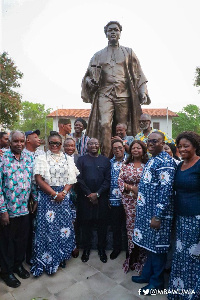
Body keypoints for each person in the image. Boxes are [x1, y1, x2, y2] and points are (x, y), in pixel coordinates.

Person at [81, 21, 151, 157]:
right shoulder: (98, 55)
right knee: (104, 124)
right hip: (104, 94)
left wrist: (143, 91)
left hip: (123, 94)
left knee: (122, 127)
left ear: (120, 33)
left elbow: (139, 73)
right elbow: (88, 76)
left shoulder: (128, 52)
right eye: (110, 30)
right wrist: (90, 83)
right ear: (106, 34)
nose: (113, 32)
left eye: (116, 30)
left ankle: (123, 156)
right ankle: (106, 157)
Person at [132, 131, 176, 295]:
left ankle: (156, 282)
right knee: (150, 247)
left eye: (155, 141)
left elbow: (166, 191)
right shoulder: (153, 160)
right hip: (147, 213)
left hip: (158, 216)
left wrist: (157, 216)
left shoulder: (165, 162)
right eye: (149, 141)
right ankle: (147, 275)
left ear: (163, 142)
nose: (150, 144)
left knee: (158, 248)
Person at [30, 132, 79, 276]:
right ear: (48, 143)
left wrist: (63, 193)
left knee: (63, 227)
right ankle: (47, 259)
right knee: (47, 230)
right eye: (52, 143)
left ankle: (61, 256)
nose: (55, 146)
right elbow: (39, 179)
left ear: (61, 144)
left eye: (58, 143)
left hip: (63, 197)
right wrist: (54, 194)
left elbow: (71, 178)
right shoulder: (41, 158)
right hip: (47, 197)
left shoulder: (68, 158)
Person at [0, 131, 37, 288]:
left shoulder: (29, 157)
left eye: (22, 141)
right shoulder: (2, 158)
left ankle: (17, 265)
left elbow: (32, 179)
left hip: (24, 209)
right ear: (10, 142)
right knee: (7, 243)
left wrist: (34, 197)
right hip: (8, 210)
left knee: (21, 241)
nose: (19, 144)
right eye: (16, 141)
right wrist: (2, 210)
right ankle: (6, 271)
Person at [168, 131, 200, 300]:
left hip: (196, 220)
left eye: (186, 146)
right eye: (179, 146)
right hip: (181, 218)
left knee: (195, 256)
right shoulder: (179, 165)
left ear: (195, 146)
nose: (182, 149)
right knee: (181, 256)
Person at [77, 138, 111, 263]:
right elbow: (79, 178)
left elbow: (108, 180)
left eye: (96, 143)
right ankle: (86, 249)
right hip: (85, 198)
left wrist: (97, 194)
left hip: (101, 198)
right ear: (87, 145)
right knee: (86, 225)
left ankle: (101, 249)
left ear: (99, 145)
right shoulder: (81, 160)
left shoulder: (105, 161)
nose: (94, 145)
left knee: (102, 225)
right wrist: (89, 194)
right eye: (91, 143)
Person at [118, 140, 148, 273]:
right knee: (131, 229)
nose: (135, 150)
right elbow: (119, 181)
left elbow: (150, 183)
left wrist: (139, 190)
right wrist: (132, 188)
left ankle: (143, 260)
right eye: (133, 148)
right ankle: (132, 259)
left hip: (144, 203)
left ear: (143, 150)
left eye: (138, 148)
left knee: (143, 229)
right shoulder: (125, 165)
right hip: (128, 202)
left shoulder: (148, 165)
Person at [23, 129, 44, 265]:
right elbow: (30, 180)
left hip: (43, 195)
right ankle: (29, 256)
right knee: (29, 229)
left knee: (40, 227)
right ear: (28, 140)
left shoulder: (41, 154)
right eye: (35, 137)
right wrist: (35, 198)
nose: (38, 139)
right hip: (29, 198)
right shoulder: (23, 155)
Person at [109, 139, 127, 260]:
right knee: (115, 226)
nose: (118, 150)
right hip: (113, 200)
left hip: (128, 200)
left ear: (124, 148)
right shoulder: (110, 162)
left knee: (128, 226)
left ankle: (129, 249)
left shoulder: (130, 161)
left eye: (120, 147)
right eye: (115, 148)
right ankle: (117, 247)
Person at [63, 137, 80, 258]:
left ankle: (73, 245)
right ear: (63, 147)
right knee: (64, 221)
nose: (70, 148)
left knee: (74, 221)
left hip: (77, 194)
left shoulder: (79, 159)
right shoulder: (59, 158)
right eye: (67, 145)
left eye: (72, 145)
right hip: (63, 194)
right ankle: (64, 247)